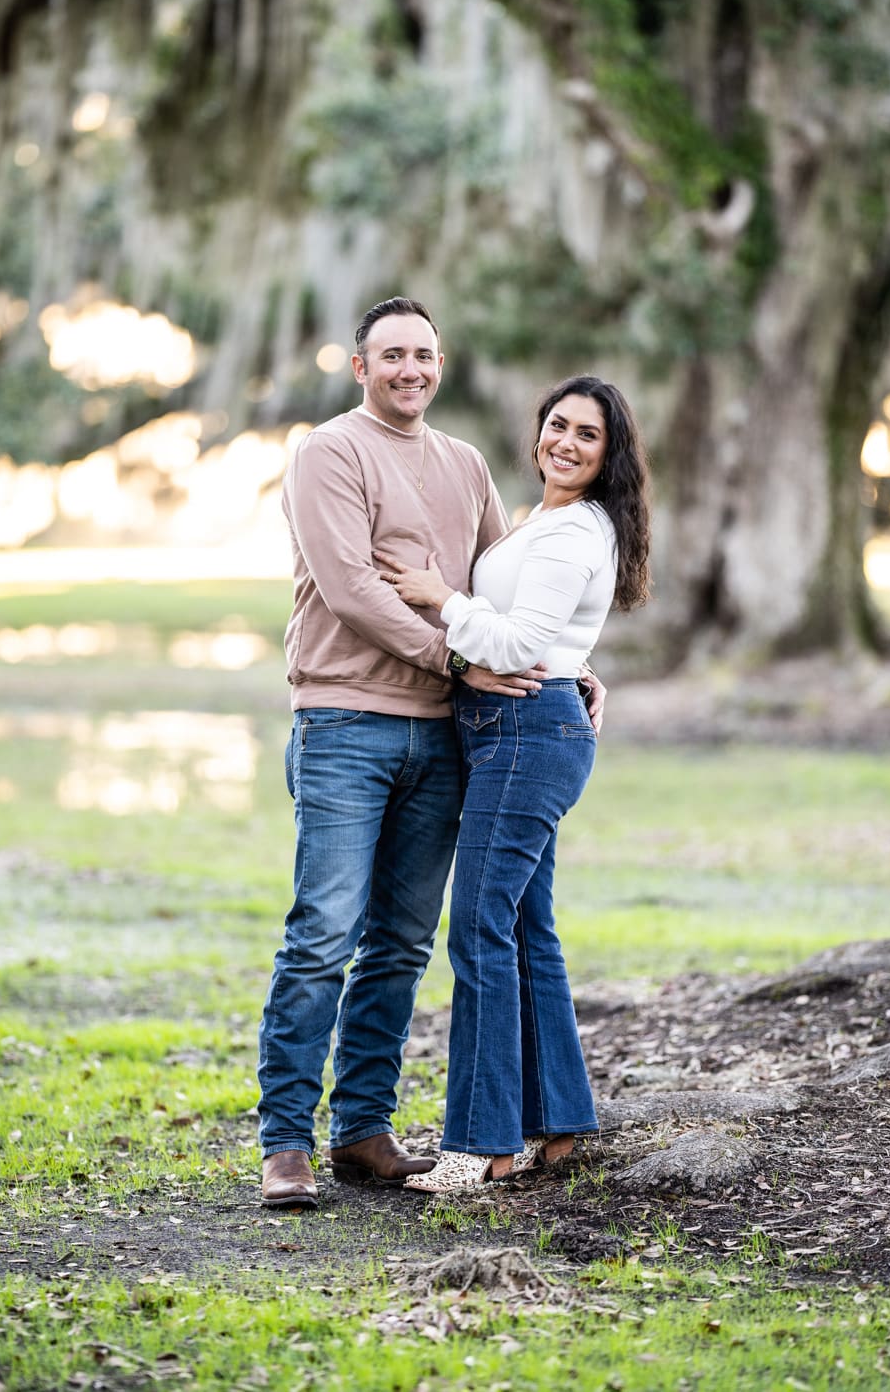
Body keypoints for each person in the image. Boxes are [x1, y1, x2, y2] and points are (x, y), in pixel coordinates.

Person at [258, 298, 603, 1209]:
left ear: (439, 365)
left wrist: (568, 665)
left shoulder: (467, 463)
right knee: (324, 932)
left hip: (451, 733)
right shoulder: (328, 452)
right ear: (361, 366)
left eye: (424, 354)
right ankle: (285, 1143)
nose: (410, 369)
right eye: (392, 355)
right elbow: (350, 589)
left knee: (403, 942)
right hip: (345, 723)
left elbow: (510, 584)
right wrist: (451, 656)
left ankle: (362, 1130)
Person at [377, 374, 650, 1192]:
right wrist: (577, 665)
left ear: (610, 455)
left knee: (480, 929)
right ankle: (558, 1122)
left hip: (526, 736)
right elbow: (552, 633)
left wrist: (439, 597)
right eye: (557, 425)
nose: (565, 442)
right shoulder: (553, 521)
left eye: (587, 435)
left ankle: (484, 1144)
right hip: (523, 730)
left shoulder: (572, 533)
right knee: (527, 928)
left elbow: (522, 641)